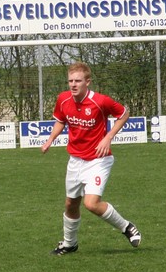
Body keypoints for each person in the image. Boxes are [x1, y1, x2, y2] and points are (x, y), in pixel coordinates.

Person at [40, 62, 141, 255]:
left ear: (87, 82)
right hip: (75, 160)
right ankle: (69, 244)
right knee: (71, 204)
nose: (73, 84)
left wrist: (108, 137)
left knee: (91, 203)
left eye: (78, 81)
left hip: (98, 159)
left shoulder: (100, 101)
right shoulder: (63, 99)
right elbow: (60, 120)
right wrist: (50, 140)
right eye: (70, 81)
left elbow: (123, 114)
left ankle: (126, 227)